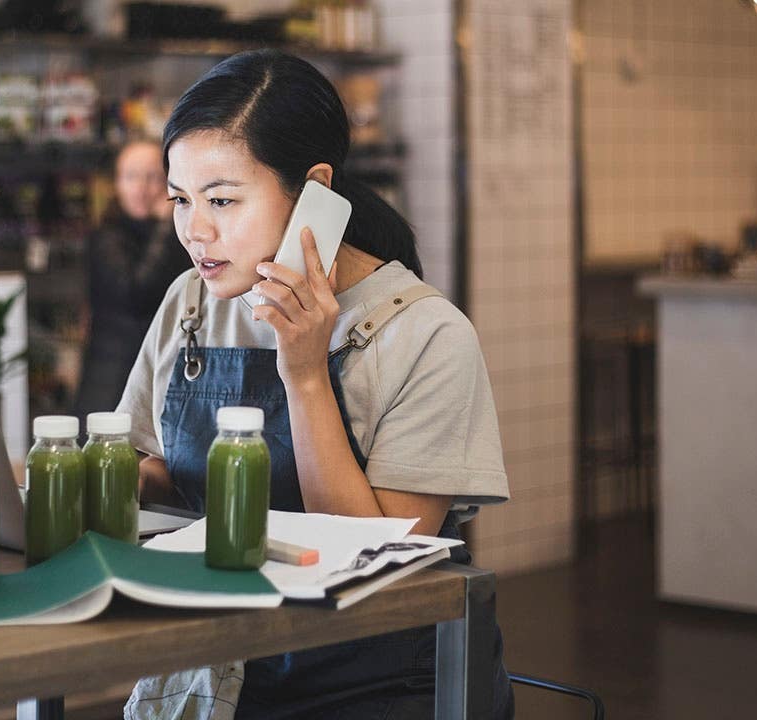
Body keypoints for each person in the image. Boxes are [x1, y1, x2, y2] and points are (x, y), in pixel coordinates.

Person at [117, 49, 513, 719]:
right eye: (181, 199)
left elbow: (380, 559)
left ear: (314, 191)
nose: (195, 230)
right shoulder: (192, 300)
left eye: (221, 199)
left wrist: (304, 372)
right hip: (212, 668)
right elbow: (155, 465)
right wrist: (85, 477)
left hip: (372, 686)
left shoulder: (427, 336)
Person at [74, 139, 193, 421]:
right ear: (116, 184)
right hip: (111, 379)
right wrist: (166, 226)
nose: (142, 188)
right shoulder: (106, 236)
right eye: (131, 177)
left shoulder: (182, 236)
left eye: (152, 177)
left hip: (162, 376)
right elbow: (136, 293)